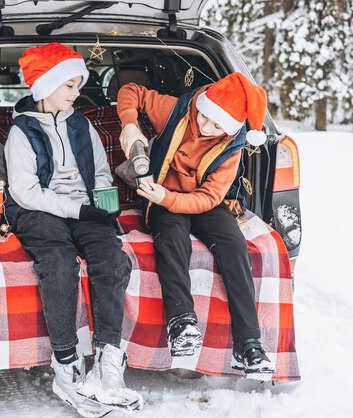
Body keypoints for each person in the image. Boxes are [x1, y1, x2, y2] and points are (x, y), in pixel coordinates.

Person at [4, 42, 143, 417]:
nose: (77, 93)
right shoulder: (22, 132)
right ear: (46, 86)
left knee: (112, 260)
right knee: (59, 262)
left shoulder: (81, 124)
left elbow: (99, 172)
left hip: (83, 206)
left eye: (78, 85)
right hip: (36, 208)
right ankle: (65, 364)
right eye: (70, 86)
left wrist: (102, 206)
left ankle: (108, 361)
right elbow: (26, 190)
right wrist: (75, 207)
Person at [116, 72, 274, 374]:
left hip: (202, 201)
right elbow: (131, 91)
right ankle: (182, 321)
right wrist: (130, 126)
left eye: (217, 125)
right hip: (162, 197)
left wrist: (169, 198)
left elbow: (209, 197)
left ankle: (248, 343)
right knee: (172, 236)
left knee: (233, 243)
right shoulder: (178, 112)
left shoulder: (232, 147)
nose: (205, 126)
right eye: (206, 116)